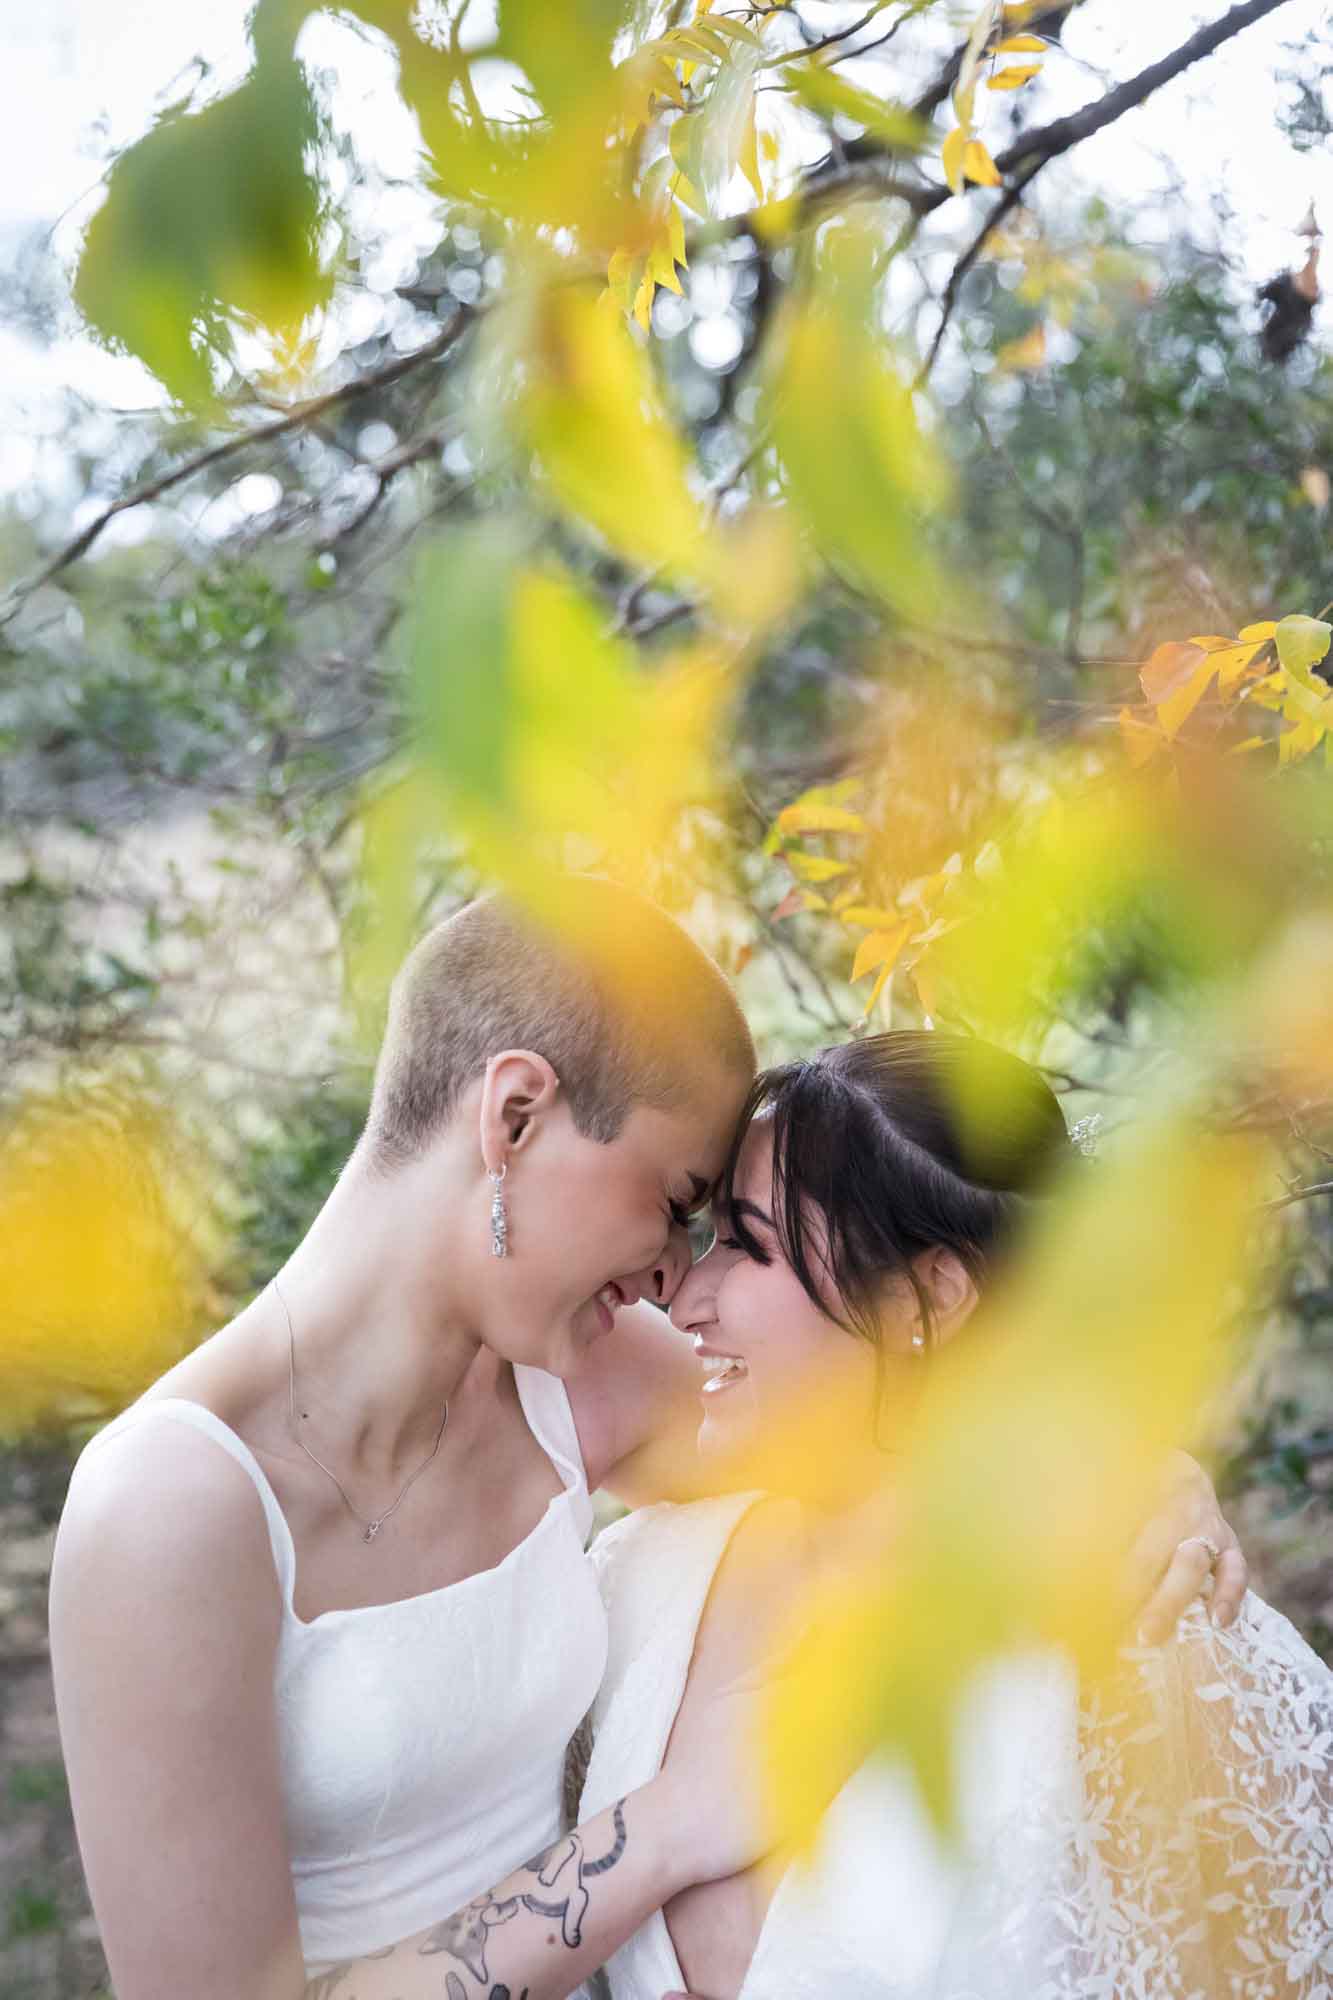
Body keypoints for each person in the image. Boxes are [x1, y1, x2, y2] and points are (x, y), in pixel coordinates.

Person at [50, 885, 1246, 2000]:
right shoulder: (167, 1509)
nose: (680, 1273)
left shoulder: (583, 1373)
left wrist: (1141, 1480)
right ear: (514, 1114)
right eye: (678, 1199)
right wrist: (659, 1829)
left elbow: (904, 1426)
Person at [577, 1033, 1333, 2000]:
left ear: (926, 1298)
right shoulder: (638, 1580)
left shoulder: (1137, 1623)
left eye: (748, 1243)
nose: (683, 1293)